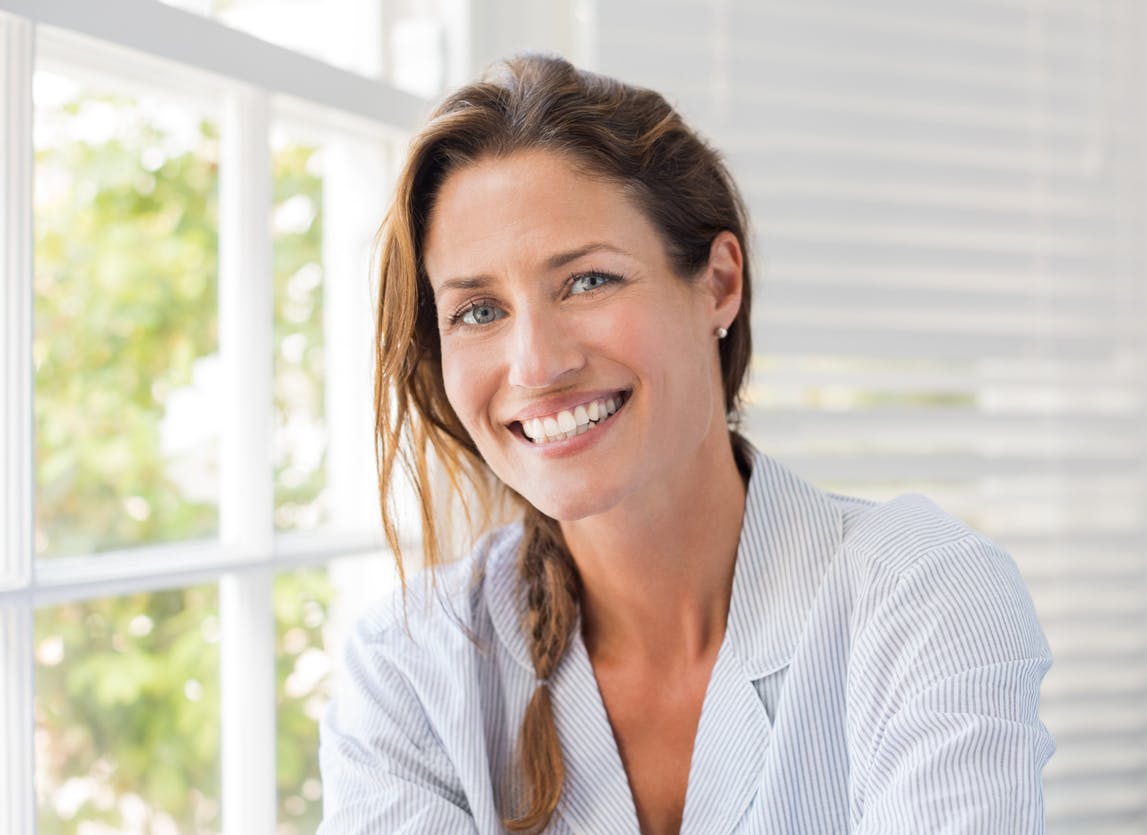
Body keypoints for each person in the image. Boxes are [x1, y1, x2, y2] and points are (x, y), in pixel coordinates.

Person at [318, 54, 1055, 835]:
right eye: (477, 310)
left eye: (588, 281)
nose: (536, 364)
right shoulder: (410, 669)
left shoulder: (921, 596)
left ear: (718, 284)